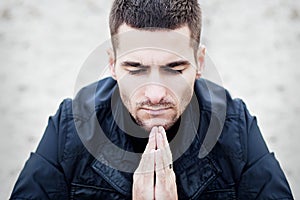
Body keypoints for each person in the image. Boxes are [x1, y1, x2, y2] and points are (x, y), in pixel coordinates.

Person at [10, 0, 293, 199]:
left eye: (175, 68)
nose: (155, 93)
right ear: (112, 63)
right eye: (135, 69)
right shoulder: (73, 124)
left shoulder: (234, 125)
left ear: (200, 62)